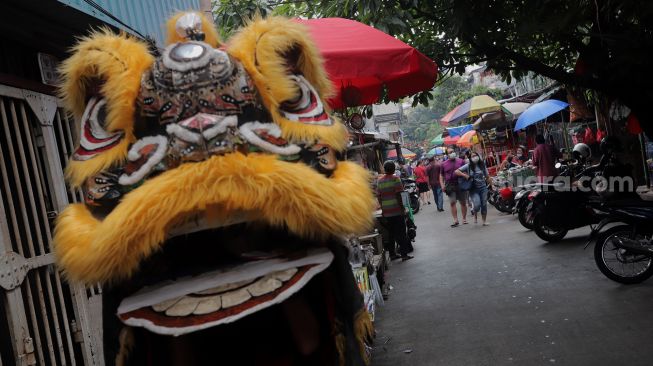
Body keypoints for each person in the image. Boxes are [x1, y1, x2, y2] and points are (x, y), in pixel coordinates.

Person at [376, 161, 414, 261]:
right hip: (396, 210)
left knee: (391, 233)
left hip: (387, 212)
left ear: (384, 169)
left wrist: (383, 209)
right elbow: (399, 195)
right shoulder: (396, 179)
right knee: (401, 233)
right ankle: (404, 255)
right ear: (393, 169)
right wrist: (402, 208)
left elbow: (379, 197)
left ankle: (392, 255)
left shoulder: (380, 181)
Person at [456, 152, 490, 226]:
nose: (475, 157)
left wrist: (492, 185)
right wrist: (465, 175)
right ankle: (475, 213)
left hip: (483, 187)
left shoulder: (482, 165)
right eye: (473, 156)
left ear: (478, 156)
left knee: (484, 204)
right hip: (473, 189)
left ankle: (484, 221)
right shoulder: (468, 166)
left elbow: (487, 176)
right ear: (470, 158)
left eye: (476, 155)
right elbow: (456, 171)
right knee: (477, 205)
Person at [440, 148, 467, 227]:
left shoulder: (461, 161)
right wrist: (442, 185)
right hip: (450, 185)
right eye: (450, 152)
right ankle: (455, 220)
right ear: (447, 155)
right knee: (452, 202)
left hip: (460, 184)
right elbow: (441, 175)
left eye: (453, 151)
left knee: (463, 202)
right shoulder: (443, 164)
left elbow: (466, 170)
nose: (452, 153)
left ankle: (464, 219)